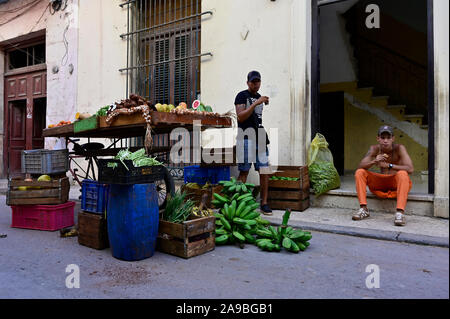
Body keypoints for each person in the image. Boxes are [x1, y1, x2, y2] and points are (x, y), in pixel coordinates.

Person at [353, 125, 414, 226]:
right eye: (383, 138)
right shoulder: (374, 149)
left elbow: (410, 169)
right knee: (360, 172)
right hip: (380, 183)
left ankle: (399, 213)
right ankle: (364, 209)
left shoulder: (399, 148)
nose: (385, 141)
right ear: (378, 139)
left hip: (394, 183)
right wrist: (374, 161)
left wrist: (389, 165)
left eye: (388, 138)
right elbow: (360, 166)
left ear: (393, 139)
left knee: (403, 174)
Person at [234, 71, 272, 215]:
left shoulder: (259, 97)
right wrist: (256, 102)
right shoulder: (242, 95)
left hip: (260, 137)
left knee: (264, 171)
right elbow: (241, 117)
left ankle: (264, 203)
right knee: (244, 171)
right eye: (253, 82)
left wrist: (262, 101)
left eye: (258, 81)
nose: (255, 84)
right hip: (245, 137)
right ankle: (237, 203)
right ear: (247, 82)